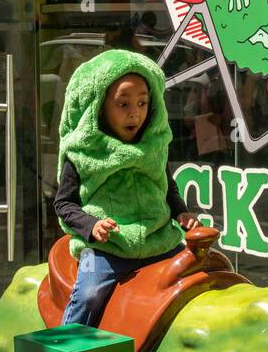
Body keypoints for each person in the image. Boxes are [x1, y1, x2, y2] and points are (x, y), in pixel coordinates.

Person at [54, 50, 199, 327]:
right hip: (109, 248)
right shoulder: (84, 155)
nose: (135, 113)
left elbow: (168, 190)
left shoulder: (154, 148)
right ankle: (67, 349)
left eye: (143, 103)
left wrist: (181, 212)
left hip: (161, 241)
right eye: (123, 104)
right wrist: (92, 226)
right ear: (99, 106)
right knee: (89, 295)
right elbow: (64, 204)